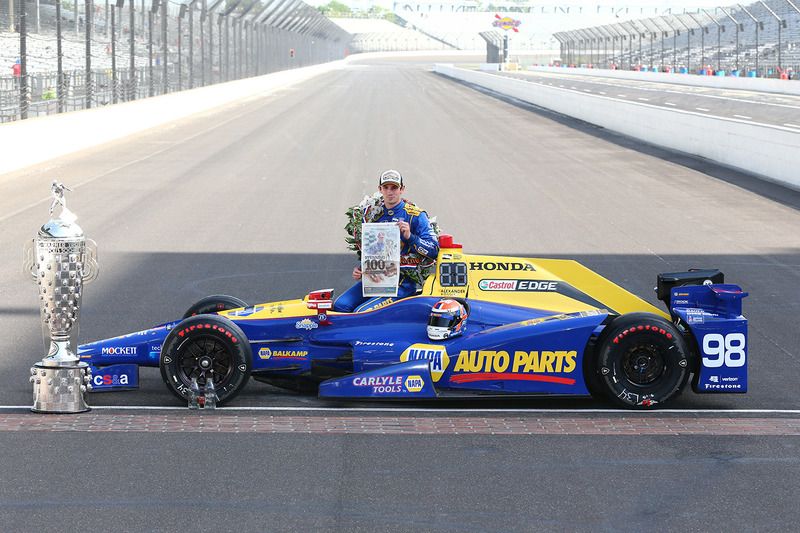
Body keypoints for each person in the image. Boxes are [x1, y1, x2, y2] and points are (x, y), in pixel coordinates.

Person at [334, 169, 439, 313]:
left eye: (394, 187)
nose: (390, 192)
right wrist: (362, 269)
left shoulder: (415, 215)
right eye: (386, 187)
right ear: (380, 189)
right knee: (340, 305)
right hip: (376, 279)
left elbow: (434, 250)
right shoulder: (371, 214)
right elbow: (374, 250)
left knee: (362, 312)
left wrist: (410, 237)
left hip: (402, 282)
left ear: (402, 189)